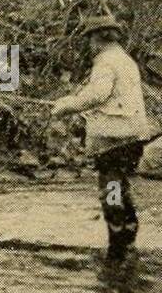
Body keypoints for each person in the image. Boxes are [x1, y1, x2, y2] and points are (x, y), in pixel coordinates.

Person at [50, 15, 154, 260]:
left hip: (114, 139)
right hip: (132, 137)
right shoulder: (125, 60)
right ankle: (128, 238)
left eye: (89, 40)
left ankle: (117, 246)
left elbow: (97, 95)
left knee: (111, 188)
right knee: (120, 185)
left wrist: (67, 106)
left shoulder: (106, 62)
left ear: (97, 39)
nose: (89, 45)